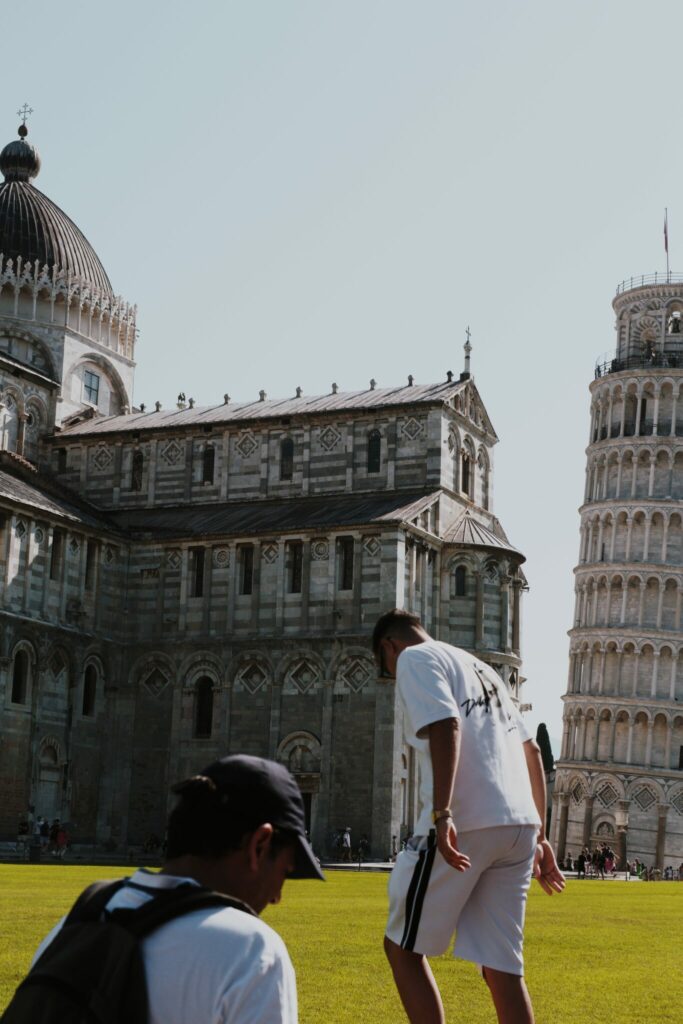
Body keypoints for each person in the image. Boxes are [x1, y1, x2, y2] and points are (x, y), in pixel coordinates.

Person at [373, 609, 564, 1024]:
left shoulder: (414, 658)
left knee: (402, 949)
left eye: (385, 668)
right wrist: (542, 835)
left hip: (467, 821)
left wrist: (443, 814)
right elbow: (531, 751)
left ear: (390, 647)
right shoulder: (483, 670)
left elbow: (446, 723)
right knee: (502, 968)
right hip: (519, 825)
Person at [30, 754, 324, 1023]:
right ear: (259, 846)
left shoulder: (78, 923)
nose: (276, 897)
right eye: (285, 872)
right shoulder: (251, 952)